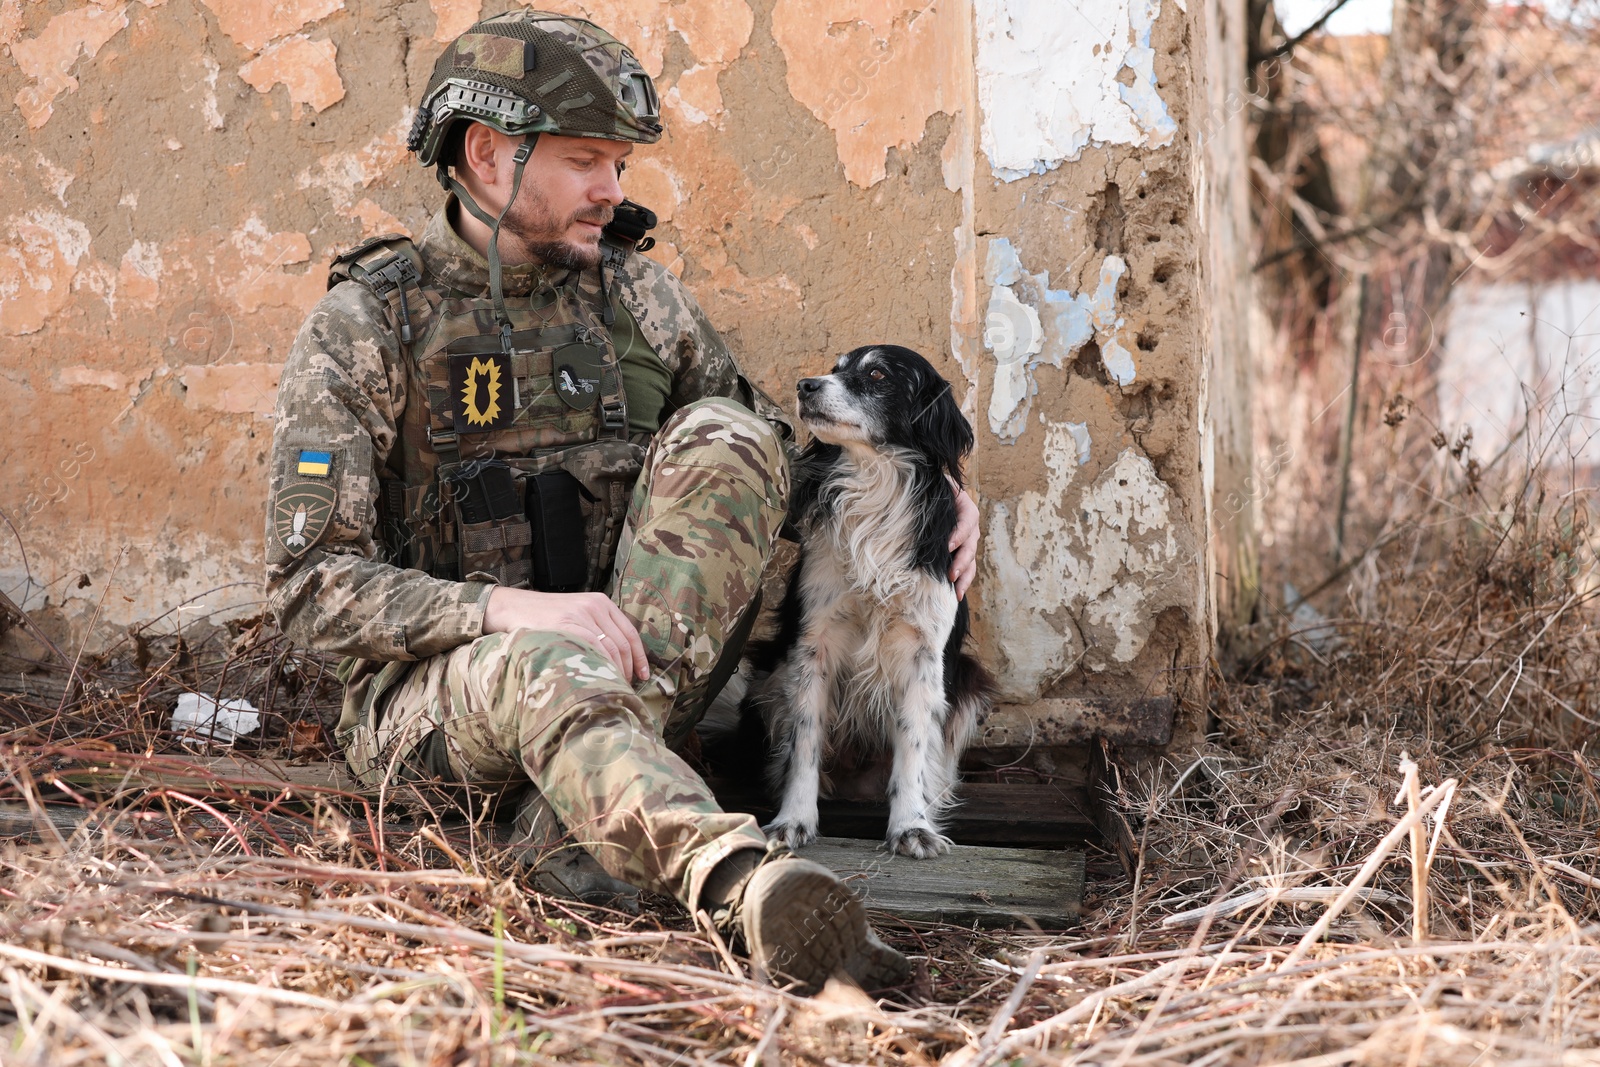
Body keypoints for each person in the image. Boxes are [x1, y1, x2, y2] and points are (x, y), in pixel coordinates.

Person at [264, 10, 979, 996]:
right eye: (585, 159)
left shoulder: (634, 300)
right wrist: (500, 610)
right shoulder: (368, 324)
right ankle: (733, 880)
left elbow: (776, 460)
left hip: (634, 683)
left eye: (622, 165)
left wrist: (938, 498)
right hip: (441, 713)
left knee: (728, 435)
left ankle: (568, 826)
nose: (613, 190)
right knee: (537, 662)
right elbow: (309, 588)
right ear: (484, 154)